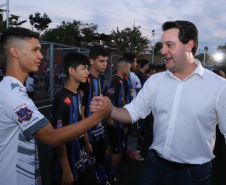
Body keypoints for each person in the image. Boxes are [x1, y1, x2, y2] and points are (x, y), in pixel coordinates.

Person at [90, 20, 226, 185]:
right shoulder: (155, 81)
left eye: (169, 45)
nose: (163, 51)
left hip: (193, 174)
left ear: (189, 45)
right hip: (153, 166)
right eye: (162, 45)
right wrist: (109, 109)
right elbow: (132, 112)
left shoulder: (219, 86)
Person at [0, 27, 111, 185]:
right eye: (35, 50)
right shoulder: (14, 96)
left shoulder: (12, 90)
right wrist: (99, 116)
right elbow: (53, 137)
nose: (41, 55)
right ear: (15, 52)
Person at [52, 52, 101, 185]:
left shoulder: (79, 92)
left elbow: (81, 119)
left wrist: (86, 141)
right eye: (84, 68)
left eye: (87, 68)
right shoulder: (62, 100)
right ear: (71, 71)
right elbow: (58, 137)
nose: (87, 72)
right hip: (69, 161)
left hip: (82, 155)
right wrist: (66, 170)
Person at [80, 45, 109, 185]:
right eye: (101, 61)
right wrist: (86, 139)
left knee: (101, 162)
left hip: (100, 132)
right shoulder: (85, 81)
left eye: (106, 61)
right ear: (91, 61)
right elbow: (81, 112)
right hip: (89, 135)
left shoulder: (99, 78)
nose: (105, 64)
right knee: (88, 169)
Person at [103, 57, 131, 184]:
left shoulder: (120, 81)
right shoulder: (117, 81)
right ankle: (112, 175)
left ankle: (107, 170)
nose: (130, 70)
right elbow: (107, 97)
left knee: (112, 146)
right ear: (123, 68)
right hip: (115, 121)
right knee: (118, 149)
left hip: (116, 119)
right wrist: (110, 118)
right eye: (129, 68)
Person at [123, 52, 143, 161]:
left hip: (128, 108)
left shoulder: (128, 76)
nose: (136, 64)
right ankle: (132, 151)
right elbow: (139, 89)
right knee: (134, 131)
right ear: (130, 63)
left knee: (131, 131)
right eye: (135, 61)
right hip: (132, 108)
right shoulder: (132, 76)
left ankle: (130, 150)